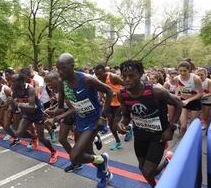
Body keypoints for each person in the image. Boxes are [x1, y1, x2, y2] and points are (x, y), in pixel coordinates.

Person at [117, 60, 182, 188]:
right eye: (124, 76)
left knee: (147, 171)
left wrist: (171, 127)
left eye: (131, 76)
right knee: (143, 168)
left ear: (141, 73)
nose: (127, 80)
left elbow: (178, 103)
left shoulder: (156, 91)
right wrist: (121, 124)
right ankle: (166, 163)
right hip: (140, 134)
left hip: (158, 135)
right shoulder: (122, 94)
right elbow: (126, 116)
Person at [55, 53, 114, 188]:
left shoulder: (87, 80)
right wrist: (52, 115)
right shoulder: (61, 82)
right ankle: (105, 173)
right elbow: (60, 106)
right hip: (79, 119)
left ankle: (101, 158)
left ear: (72, 66)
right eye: (58, 68)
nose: (60, 72)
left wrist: (103, 117)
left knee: (75, 156)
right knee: (88, 154)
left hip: (94, 120)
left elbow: (109, 92)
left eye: (63, 68)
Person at [10, 73, 58, 164]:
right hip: (27, 115)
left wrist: (18, 104)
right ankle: (34, 138)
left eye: (13, 81)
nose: (11, 83)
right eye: (11, 81)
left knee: (42, 138)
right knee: (18, 133)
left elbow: (32, 106)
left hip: (38, 114)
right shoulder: (14, 89)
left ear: (20, 81)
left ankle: (53, 152)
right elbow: (13, 103)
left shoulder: (30, 89)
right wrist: (12, 108)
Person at [94, 64, 132, 151]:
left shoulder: (113, 77)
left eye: (100, 74)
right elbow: (100, 91)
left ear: (105, 71)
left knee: (116, 127)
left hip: (119, 104)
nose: (98, 77)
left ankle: (129, 128)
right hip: (108, 105)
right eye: (96, 75)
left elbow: (125, 86)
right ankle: (118, 141)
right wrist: (100, 99)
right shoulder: (98, 80)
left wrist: (117, 93)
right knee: (111, 125)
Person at [175, 61, 203, 136]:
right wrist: (176, 95)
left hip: (195, 102)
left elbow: (200, 93)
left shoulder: (196, 79)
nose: (182, 73)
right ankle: (182, 143)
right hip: (183, 102)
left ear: (189, 70)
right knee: (183, 126)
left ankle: (193, 141)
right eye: (180, 71)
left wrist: (188, 100)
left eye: (185, 71)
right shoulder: (177, 78)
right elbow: (177, 87)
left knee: (192, 125)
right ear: (178, 70)